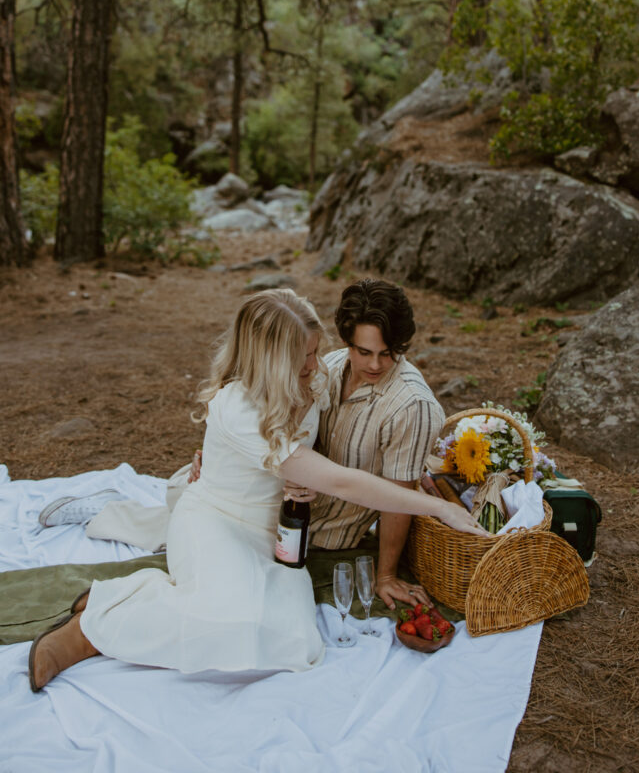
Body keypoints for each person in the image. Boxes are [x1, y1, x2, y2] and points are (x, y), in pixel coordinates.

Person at [29, 288, 486, 692]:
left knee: (294, 642)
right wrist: (436, 508)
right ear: (270, 358)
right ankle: (91, 627)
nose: (316, 363)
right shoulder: (238, 406)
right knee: (232, 623)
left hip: (275, 533)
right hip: (216, 519)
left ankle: (138, 596)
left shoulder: (317, 377)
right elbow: (340, 478)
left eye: (315, 351)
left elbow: (336, 442)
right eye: (304, 356)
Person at [40, 279, 445, 609]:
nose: (374, 364)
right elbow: (317, 458)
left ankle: (129, 508)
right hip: (251, 501)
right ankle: (107, 510)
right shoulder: (325, 370)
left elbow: (385, 481)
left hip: (287, 517)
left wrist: (386, 572)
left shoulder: (369, 390)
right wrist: (228, 450)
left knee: (196, 525)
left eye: (388, 354)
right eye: (363, 351)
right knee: (192, 519)